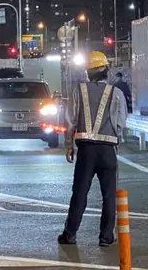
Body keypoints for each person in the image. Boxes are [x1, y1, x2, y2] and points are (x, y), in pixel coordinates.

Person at [58, 51, 128, 247]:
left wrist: (69, 145)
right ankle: (106, 237)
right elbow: (121, 123)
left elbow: (70, 120)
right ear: (106, 71)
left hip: (86, 150)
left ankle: (70, 234)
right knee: (109, 195)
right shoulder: (116, 93)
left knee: (80, 192)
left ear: (88, 73)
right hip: (108, 151)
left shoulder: (78, 91)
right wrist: (115, 139)